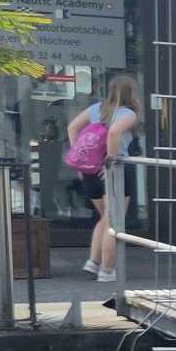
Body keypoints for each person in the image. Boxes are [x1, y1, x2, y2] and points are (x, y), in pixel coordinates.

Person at [71, 74, 141, 282]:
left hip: (90, 169)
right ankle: (107, 270)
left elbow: (72, 127)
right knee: (114, 221)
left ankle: (93, 262)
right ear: (131, 93)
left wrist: (80, 155)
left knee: (105, 217)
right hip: (114, 169)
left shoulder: (96, 109)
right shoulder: (128, 113)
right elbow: (114, 133)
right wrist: (111, 160)